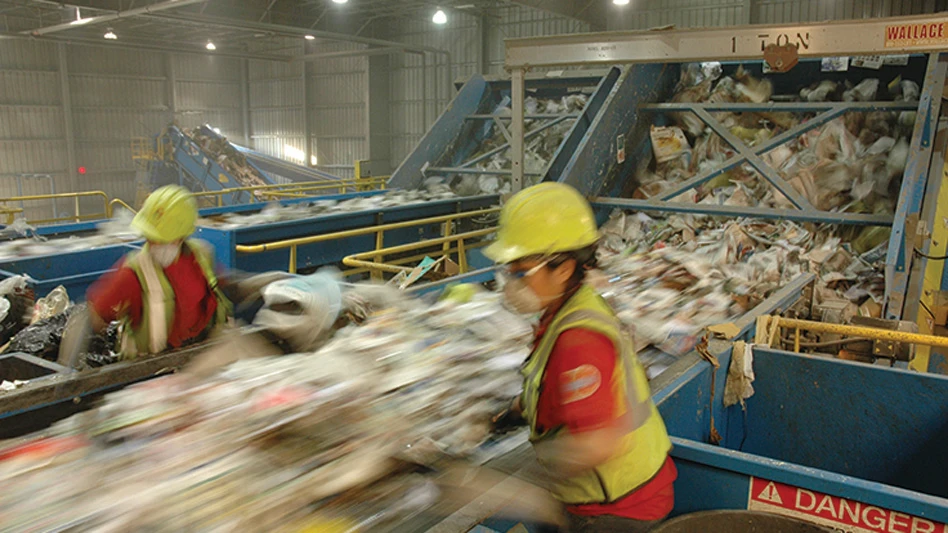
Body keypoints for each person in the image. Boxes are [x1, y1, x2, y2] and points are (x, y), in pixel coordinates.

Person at [485, 183, 677, 533]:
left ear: (562, 268)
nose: (509, 282)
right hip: (608, 491)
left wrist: (514, 484)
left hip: (619, 506)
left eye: (519, 271)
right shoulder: (565, 310)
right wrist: (506, 415)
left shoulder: (578, 340)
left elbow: (596, 443)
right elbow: (550, 384)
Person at [86, 185, 231, 359]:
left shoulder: (201, 256)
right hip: (152, 367)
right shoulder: (133, 273)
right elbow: (95, 314)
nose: (153, 244)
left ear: (182, 236)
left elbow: (221, 285)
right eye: (150, 237)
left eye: (161, 239)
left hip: (201, 354)